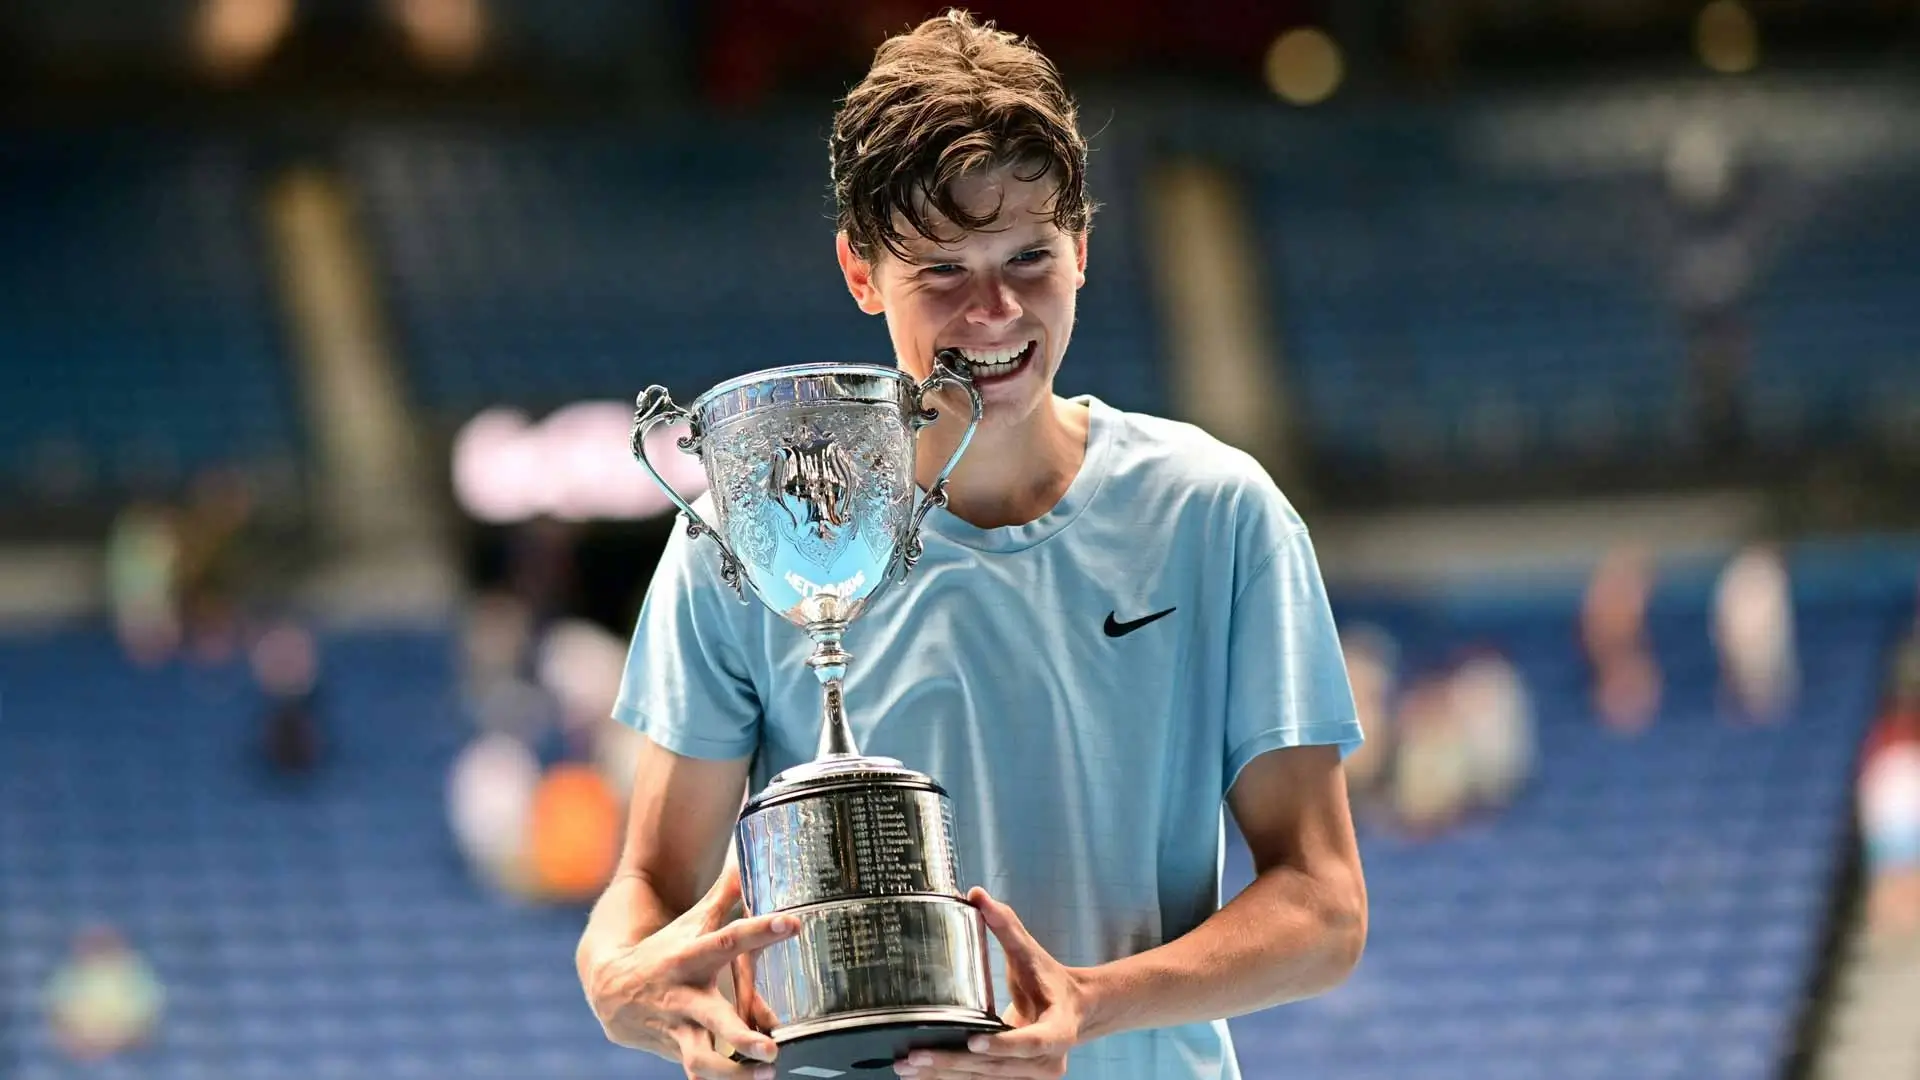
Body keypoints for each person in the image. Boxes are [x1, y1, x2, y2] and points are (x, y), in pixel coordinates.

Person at [575, 12, 1367, 1080]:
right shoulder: (751, 535)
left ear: (1082, 249)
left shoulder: (1217, 515)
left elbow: (1322, 906)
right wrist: (624, 986)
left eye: (1029, 255)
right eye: (940, 268)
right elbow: (651, 898)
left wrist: (1088, 1004)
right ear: (861, 274)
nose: (994, 311)